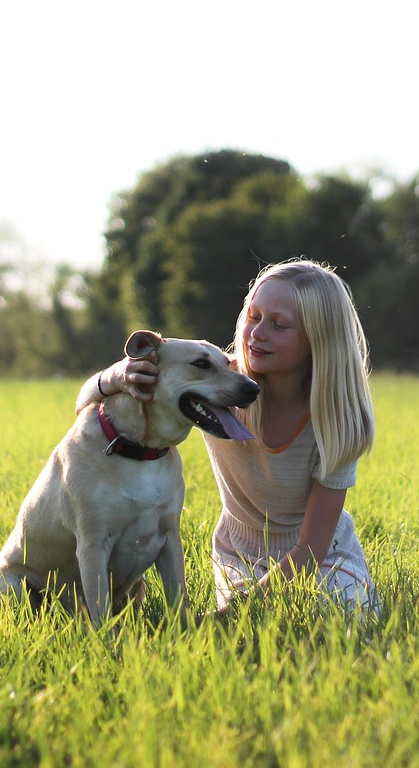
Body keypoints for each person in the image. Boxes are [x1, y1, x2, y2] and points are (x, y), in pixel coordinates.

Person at [76, 259, 380, 614]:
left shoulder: (338, 419)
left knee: (338, 618)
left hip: (323, 554)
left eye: (279, 325)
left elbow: (311, 549)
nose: (257, 333)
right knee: (254, 630)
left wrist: (227, 615)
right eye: (254, 317)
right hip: (240, 553)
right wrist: (117, 377)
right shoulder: (215, 380)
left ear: (318, 339)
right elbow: (85, 404)